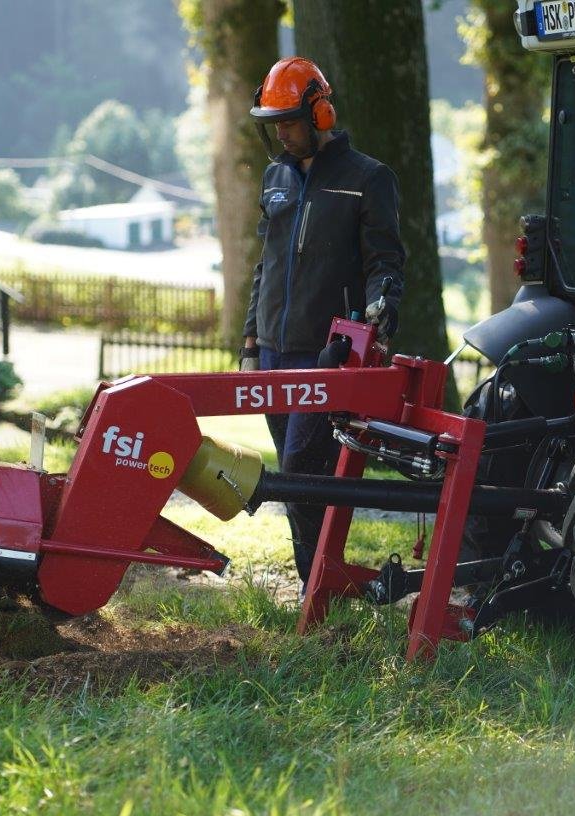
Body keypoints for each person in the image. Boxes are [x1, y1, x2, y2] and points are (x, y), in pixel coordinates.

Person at [240, 56, 406, 584]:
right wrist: (249, 340)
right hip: (272, 351)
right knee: (297, 477)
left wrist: (383, 304)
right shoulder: (275, 179)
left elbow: (386, 262)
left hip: (325, 354)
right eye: (274, 123)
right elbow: (265, 265)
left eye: (289, 120)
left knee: (301, 474)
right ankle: (316, 585)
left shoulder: (369, 179)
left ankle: (317, 589)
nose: (281, 132)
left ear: (321, 113)